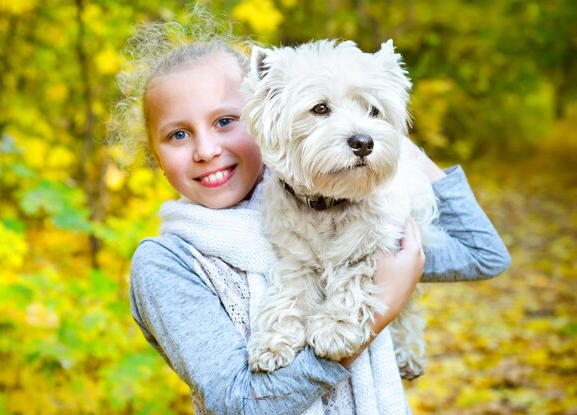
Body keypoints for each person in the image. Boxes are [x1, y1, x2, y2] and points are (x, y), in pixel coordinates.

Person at [111, 14, 511, 415]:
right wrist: (378, 311)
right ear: (156, 158)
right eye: (178, 135)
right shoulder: (166, 264)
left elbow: (483, 254)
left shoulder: (341, 207)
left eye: (226, 121)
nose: (206, 149)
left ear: (258, 120)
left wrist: (397, 147)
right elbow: (239, 405)